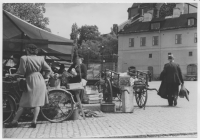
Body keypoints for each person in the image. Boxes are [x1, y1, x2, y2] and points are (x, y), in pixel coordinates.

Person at [5, 44, 52, 128]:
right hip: (40, 80)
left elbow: (21, 73)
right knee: (37, 103)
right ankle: (34, 121)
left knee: (23, 103)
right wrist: (45, 76)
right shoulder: (41, 58)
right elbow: (48, 69)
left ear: (27, 50)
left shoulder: (24, 58)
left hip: (30, 80)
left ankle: (14, 121)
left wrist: (11, 75)